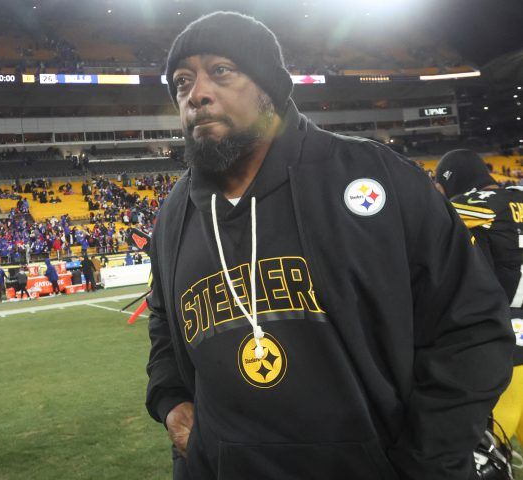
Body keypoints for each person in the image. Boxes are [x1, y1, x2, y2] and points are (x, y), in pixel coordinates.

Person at [145, 12, 513, 480]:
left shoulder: (374, 175)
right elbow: (164, 320)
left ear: (269, 87)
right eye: (182, 81)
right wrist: (170, 398)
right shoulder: (174, 215)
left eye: (221, 70)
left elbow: (472, 327)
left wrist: (426, 462)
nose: (196, 93)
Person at [435, 149, 523, 443]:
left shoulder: (475, 204)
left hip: (506, 346)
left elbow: (432, 216)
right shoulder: (517, 196)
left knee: (490, 452)